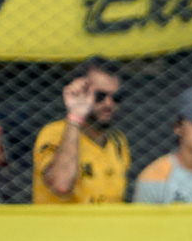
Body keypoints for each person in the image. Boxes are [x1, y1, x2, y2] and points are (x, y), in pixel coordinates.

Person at [34, 58, 130, 204]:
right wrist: (75, 115)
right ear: (81, 92)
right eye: (100, 96)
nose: (109, 104)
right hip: (65, 226)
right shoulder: (54, 132)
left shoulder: (118, 141)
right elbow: (61, 184)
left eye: (116, 97)